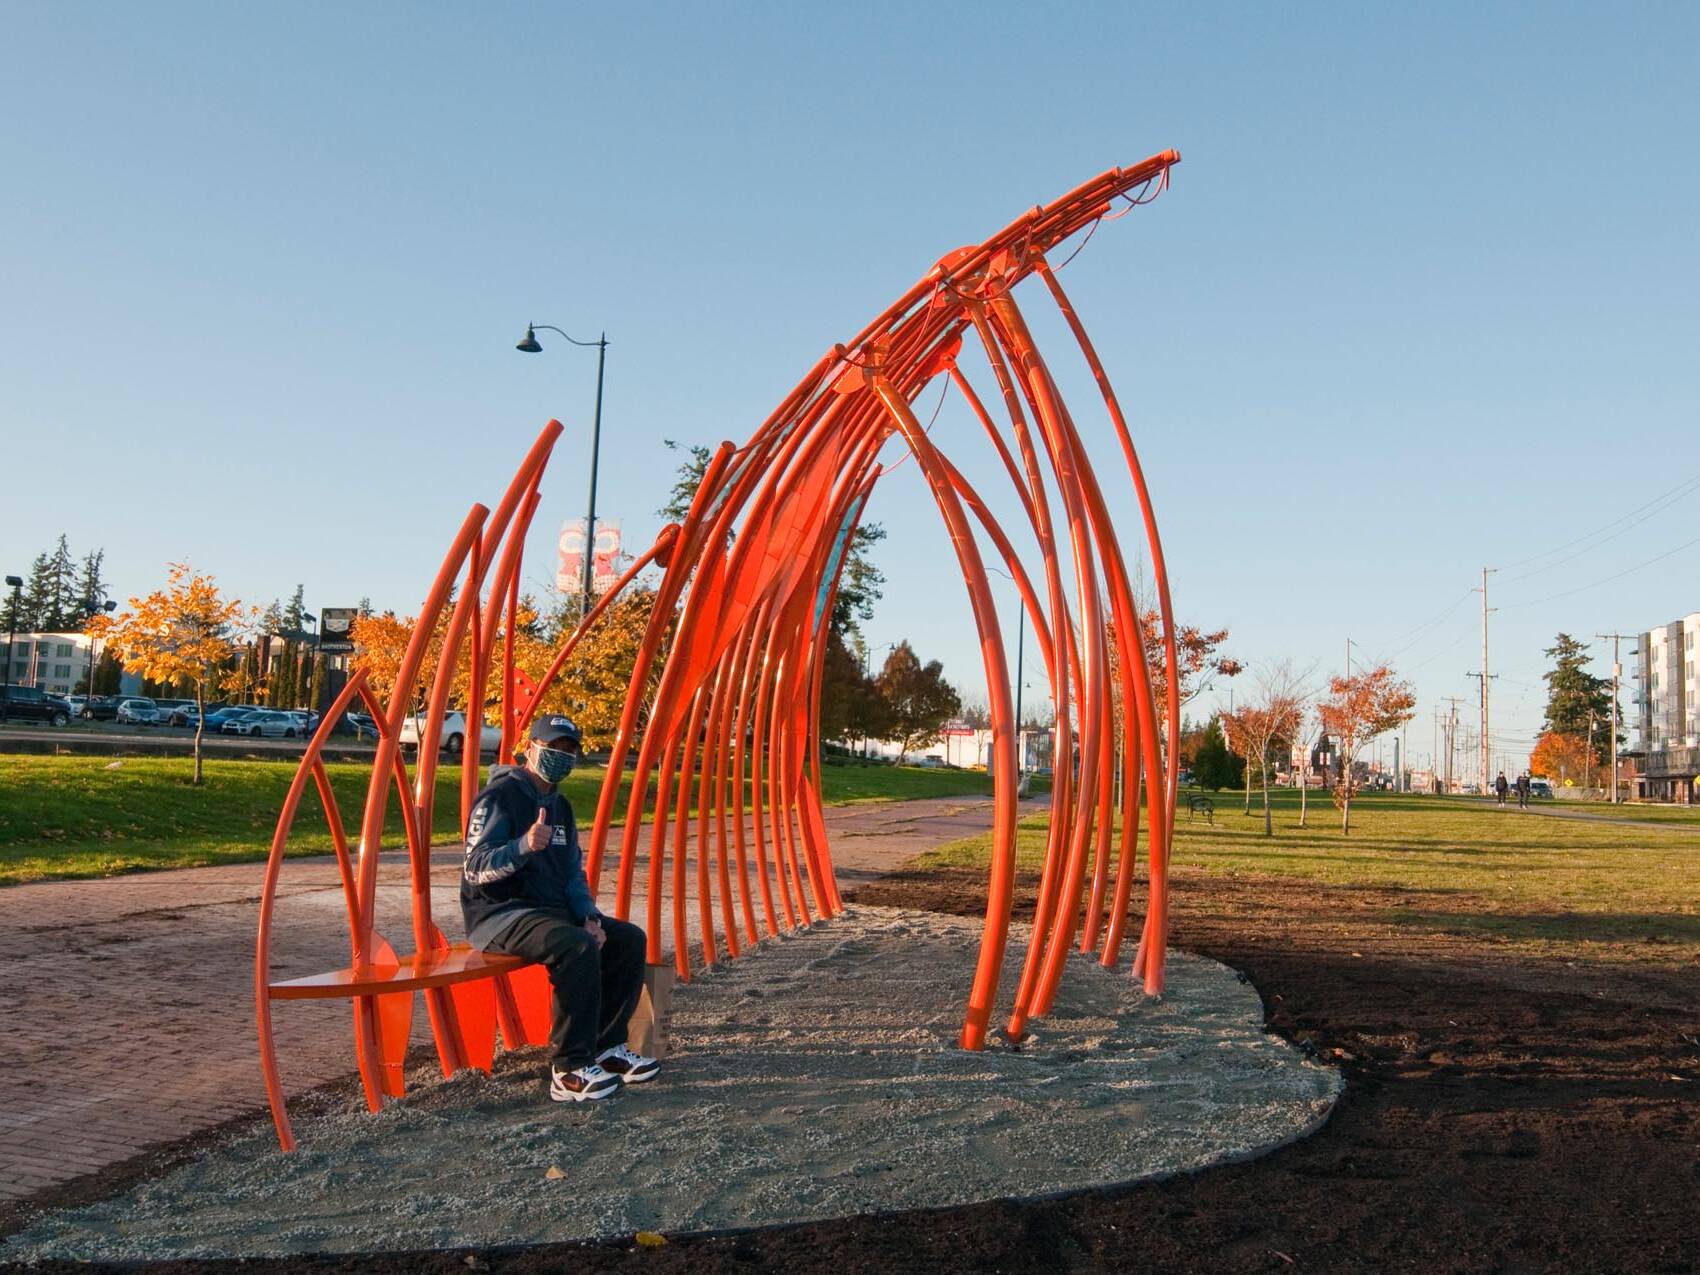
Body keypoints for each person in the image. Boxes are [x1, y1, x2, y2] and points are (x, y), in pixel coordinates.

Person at [461, 715, 659, 1102]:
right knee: (574, 947)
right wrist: (523, 846)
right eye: (554, 748)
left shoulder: (560, 806)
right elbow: (475, 868)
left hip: (549, 913)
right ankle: (568, 1069)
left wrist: (590, 917)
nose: (562, 757)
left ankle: (605, 1049)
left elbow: (571, 873)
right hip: (500, 915)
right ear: (530, 748)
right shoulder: (499, 798)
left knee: (625, 940)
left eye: (569, 750)